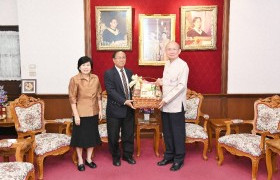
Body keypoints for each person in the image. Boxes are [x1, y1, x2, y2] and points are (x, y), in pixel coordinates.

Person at [156, 41, 189, 171]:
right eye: (169, 49)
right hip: (165, 104)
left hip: (175, 105)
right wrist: (161, 81)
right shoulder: (167, 63)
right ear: (166, 51)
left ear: (179, 51)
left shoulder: (183, 65)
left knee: (177, 133)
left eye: (174, 49)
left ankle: (179, 159)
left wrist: (166, 99)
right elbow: (170, 81)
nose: (171, 51)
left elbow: (181, 86)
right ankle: (168, 155)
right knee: (167, 132)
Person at [68, 56, 102, 171]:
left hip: (93, 112)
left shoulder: (96, 78)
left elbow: (99, 95)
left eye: (88, 65)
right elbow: (72, 99)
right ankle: (80, 160)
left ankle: (88, 159)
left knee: (92, 137)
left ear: (91, 66)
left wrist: (101, 110)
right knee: (80, 138)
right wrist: (76, 115)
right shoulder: (75, 79)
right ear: (79, 67)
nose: (86, 67)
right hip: (80, 113)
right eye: (83, 65)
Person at [104, 51, 136, 167]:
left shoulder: (129, 72)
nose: (122, 60)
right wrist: (124, 101)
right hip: (115, 110)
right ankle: (116, 156)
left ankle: (127, 155)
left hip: (129, 109)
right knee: (113, 136)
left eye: (124, 57)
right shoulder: (109, 73)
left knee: (128, 134)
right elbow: (111, 91)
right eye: (119, 58)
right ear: (114, 60)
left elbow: (133, 89)